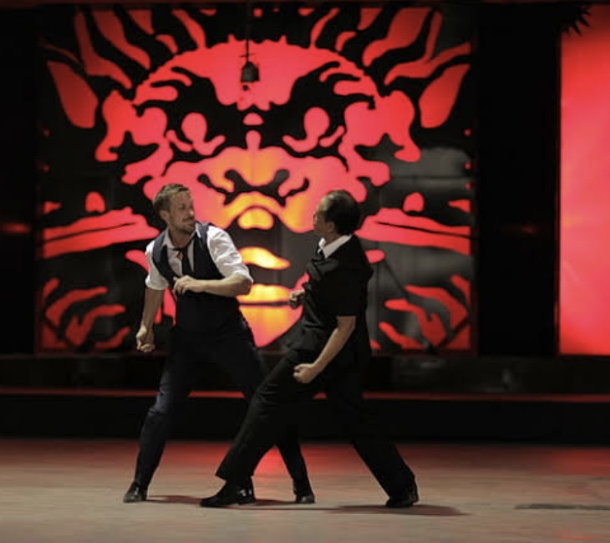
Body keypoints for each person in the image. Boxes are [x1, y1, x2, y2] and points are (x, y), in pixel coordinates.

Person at [200, 189, 419, 508]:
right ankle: (402, 486)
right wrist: (305, 294)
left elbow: (345, 326)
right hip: (329, 349)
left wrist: (316, 367)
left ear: (331, 225)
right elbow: (326, 289)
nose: (313, 216)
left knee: (266, 400)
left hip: (325, 351)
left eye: (318, 213)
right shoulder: (332, 246)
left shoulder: (345, 267)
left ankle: (236, 483)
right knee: (354, 420)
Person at [123, 183, 314, 505]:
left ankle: (302, 484)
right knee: (161, 412)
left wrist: (200, 284)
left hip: (228, 335)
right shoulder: (155, 250)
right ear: (165, 215)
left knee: (265, 405)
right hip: (187, 340)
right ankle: (139, 484)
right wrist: (146, 326)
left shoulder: (213, 238)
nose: (190, 213)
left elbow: (243, 283)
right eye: (181, 208)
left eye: (190, 205)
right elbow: (154, 286)